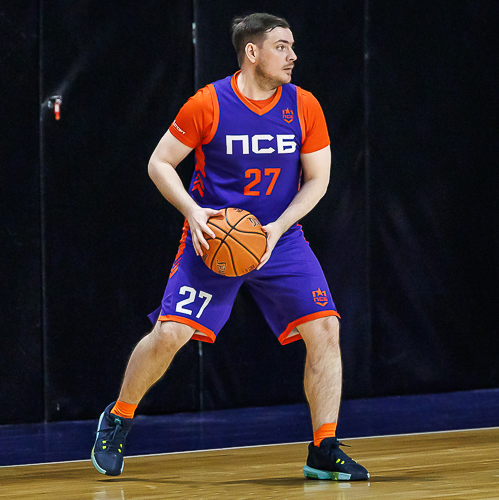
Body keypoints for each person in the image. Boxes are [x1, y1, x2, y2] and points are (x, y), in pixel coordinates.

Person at [91, 12, 369, 481]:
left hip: (280, 237)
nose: (293, 55)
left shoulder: (304, 106)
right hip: (216, 237)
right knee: (170, 335)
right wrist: (193, 212)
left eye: (292, 46)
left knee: (325, 328)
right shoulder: (208, 103)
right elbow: (159, 163)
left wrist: (278, 227)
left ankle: (323, 448)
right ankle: (118, 416)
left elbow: (318, 180)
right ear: (252, 52)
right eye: (282, 46)